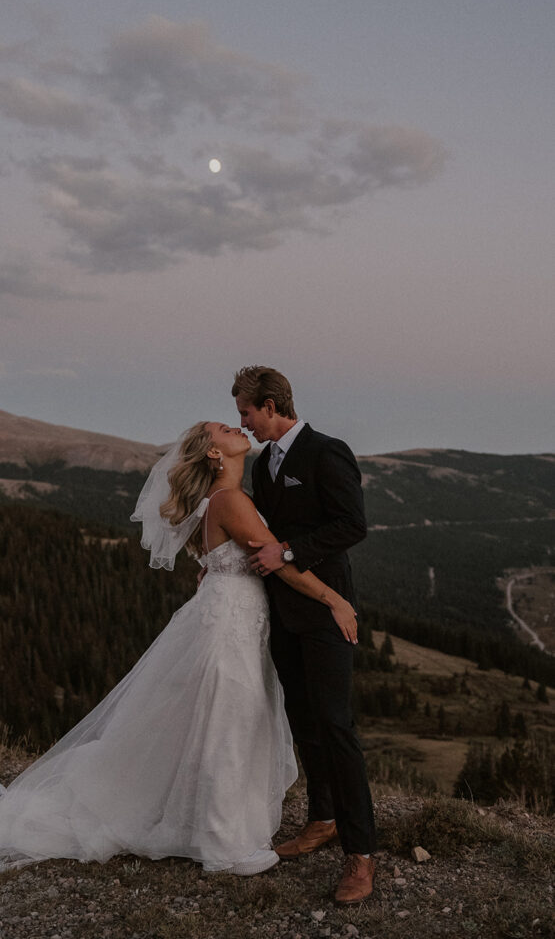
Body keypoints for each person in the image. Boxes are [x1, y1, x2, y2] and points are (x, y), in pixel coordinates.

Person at [0, 420, 356, 876]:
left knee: (227, 720)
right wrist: (335, 599)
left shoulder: (221, 499)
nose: (236, 426)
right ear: (214, 455)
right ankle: (223, 842)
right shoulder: (231, 499)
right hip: (230, 622)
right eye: (223, 429)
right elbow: (281, 565)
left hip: (231, 613)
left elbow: (230, 558)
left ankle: (205, 821)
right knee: (227, 723)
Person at [233, 366, 377, 906]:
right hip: (282, 614)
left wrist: (290, 552)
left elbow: (351, 524)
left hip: (325, 613)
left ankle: (361, 856)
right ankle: (323, 818)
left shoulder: (326, 450)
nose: (242, 422)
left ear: (271, 405)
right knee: (304, 720)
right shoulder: (265, 464)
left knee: (337, 726)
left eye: (246, 411)